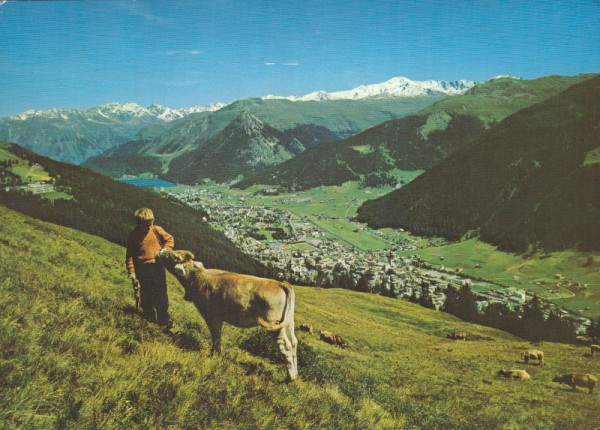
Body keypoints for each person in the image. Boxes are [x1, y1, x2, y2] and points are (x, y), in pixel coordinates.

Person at [126, 207, 174, 333]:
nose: (148, 227)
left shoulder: (156, 230)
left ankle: (164, 321)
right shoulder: (133, 236)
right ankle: (149, 321)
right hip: (142, 270)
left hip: (157, 267)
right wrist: (132, 272)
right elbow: (130, 256)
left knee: (161, 295)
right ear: (138, 223)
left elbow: (169, 239)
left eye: (150, 224)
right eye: (145, 225)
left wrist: (165, 250)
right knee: (146, 296)